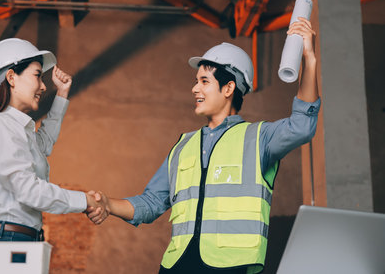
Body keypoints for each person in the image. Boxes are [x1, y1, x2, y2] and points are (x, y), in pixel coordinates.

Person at [87, 18, 320, 274]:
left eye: (204, 81)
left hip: (231, 266)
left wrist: (309, 59)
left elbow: (301, 126)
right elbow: (152, 202)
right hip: (177, 265)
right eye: (196, 81)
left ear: (229, 87)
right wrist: (108, 204)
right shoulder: (183, 145)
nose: (194, 88)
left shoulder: (259, 138)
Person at [0, 38, 106, 245]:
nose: (43, 86)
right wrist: (84, 201)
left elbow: (43, 143)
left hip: (14, 237)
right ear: (11, 77)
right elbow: (28, 190)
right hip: (5, 238)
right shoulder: (1, 125)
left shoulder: (17, 129)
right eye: (37, 76)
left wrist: (61, 94)